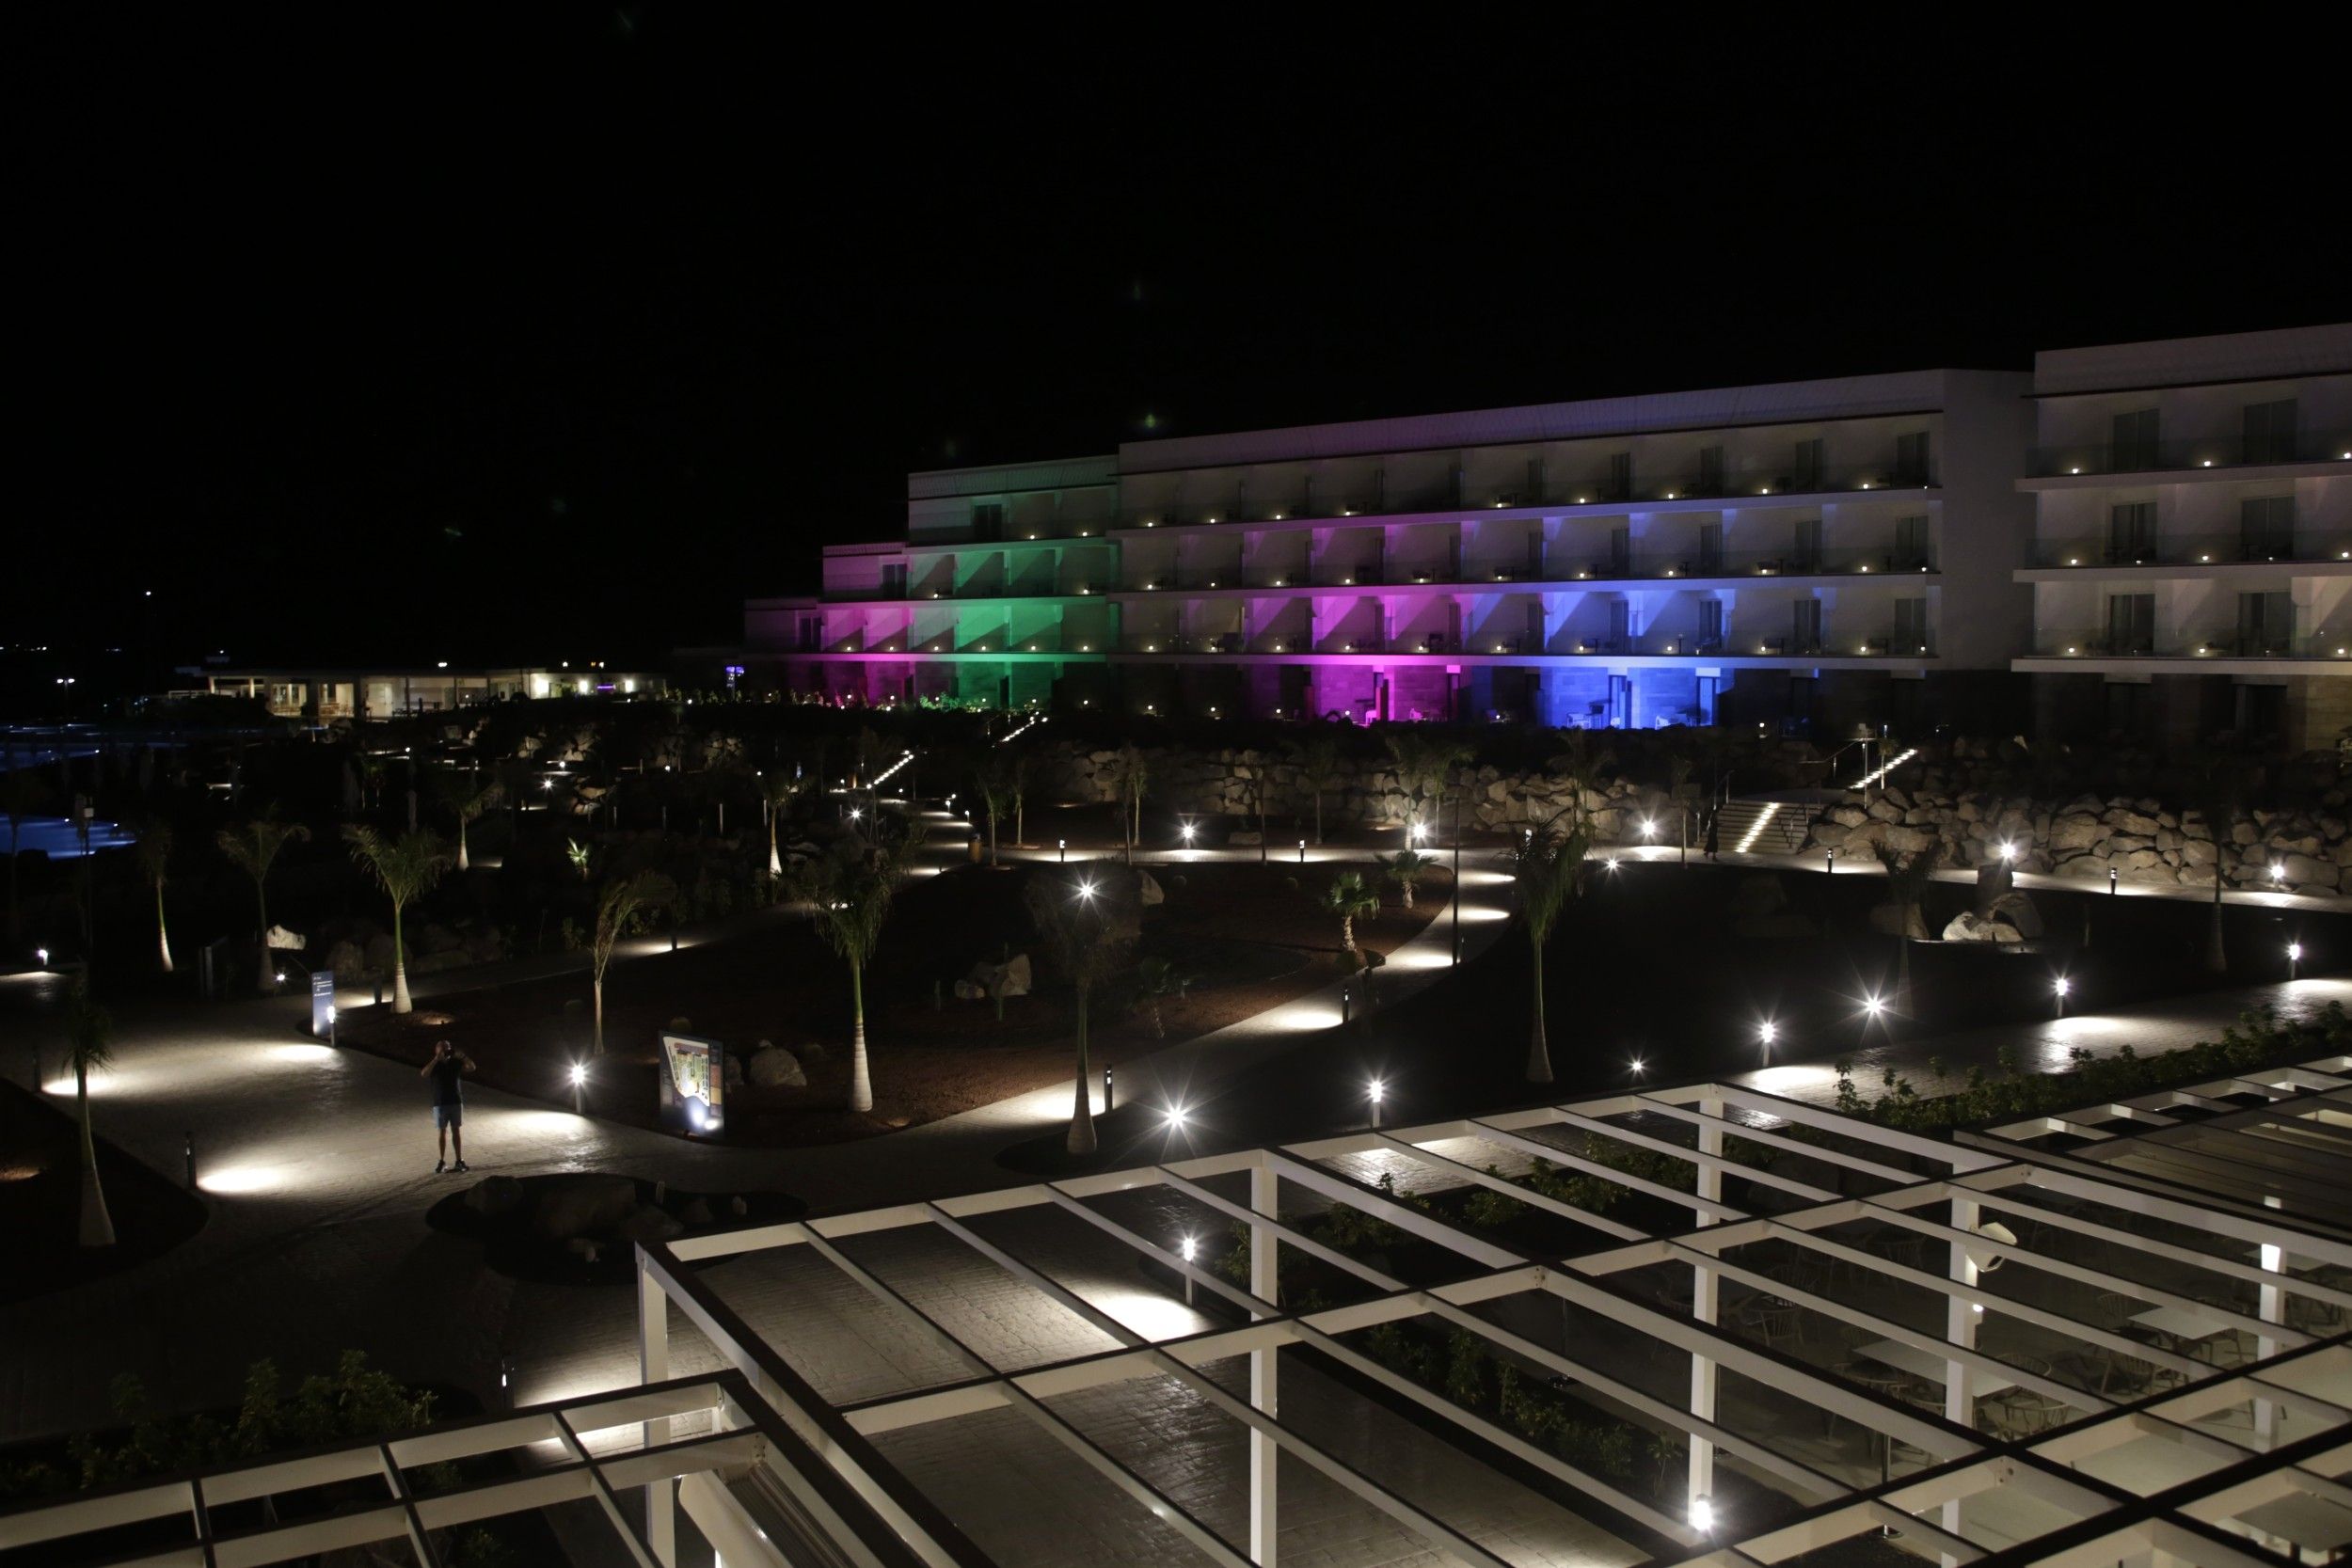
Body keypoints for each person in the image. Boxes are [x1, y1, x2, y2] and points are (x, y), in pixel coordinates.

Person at [420, 1038, 476, 1173]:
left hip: (455, 1101)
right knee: (442, 1131)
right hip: (440, 1103)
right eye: (441, 1047)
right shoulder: (435, 1064)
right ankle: (442, 1161)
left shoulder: (455, 1062)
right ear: (436, 1049)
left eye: (447, 1047)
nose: (445, 1050)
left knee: (456, 1130)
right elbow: (424, 1074)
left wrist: (462, 1056)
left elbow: (472, 1067)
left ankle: (459, 1160)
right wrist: (435, 1059)